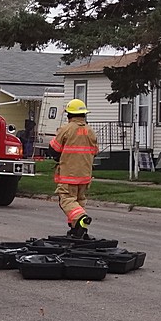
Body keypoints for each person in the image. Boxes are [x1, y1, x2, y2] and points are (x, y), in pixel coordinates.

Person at [49, 98, 99, 238]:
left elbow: (53, 149)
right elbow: (95, 151)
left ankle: (81, 218)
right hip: (85, 175)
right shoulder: (90, 131)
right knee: (79, 200)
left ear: (69, 115)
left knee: (66, 199)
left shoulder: (66, 129)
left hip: (69, 174)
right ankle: (77, 230)